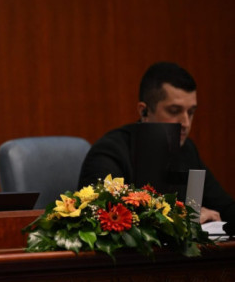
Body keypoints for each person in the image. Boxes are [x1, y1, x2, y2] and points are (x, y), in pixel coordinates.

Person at [78, 62, 235, 231]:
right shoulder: (109, 152)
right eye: (174, 111)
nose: (186, 123)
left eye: (190, 112)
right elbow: (103, 220)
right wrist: (183, 219)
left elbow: (226, 208)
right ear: (144, 111)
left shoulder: (187, 150)